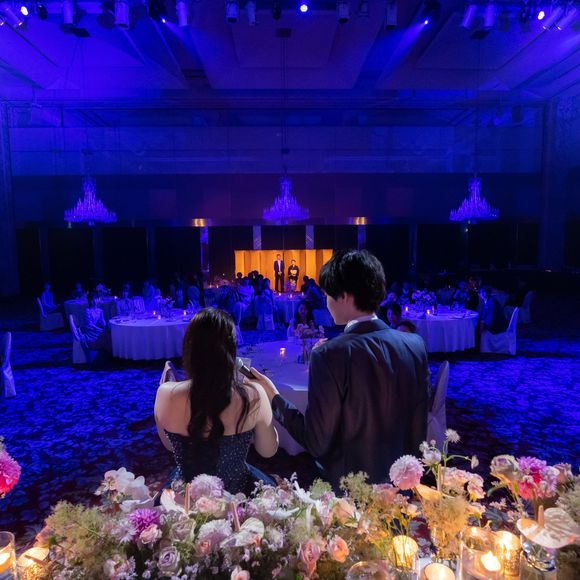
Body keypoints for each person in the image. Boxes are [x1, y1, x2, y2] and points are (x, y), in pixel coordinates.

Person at [251, 249, 430, 490]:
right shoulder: (415, 345)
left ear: (344, 296)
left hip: (348, 488)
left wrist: (273, 396)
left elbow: (316, 441)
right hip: (401, 485)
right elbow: (419, 428)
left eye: (328, 294)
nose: (326, 302)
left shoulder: (329, 355)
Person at [154, 308, 278, 494]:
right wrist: (268, 399)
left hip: (186, 496)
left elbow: (170, 446)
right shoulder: (253, 394)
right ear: (231, 351)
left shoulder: (165, 393)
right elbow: (268, 451)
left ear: (189, 348)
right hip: (238, 496)